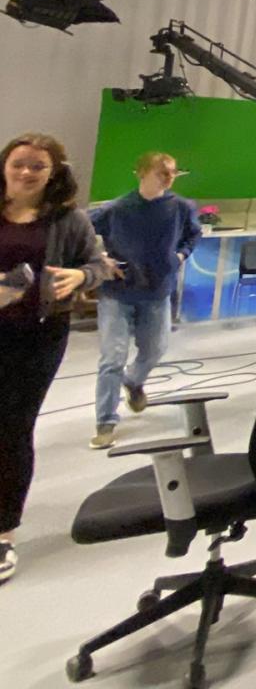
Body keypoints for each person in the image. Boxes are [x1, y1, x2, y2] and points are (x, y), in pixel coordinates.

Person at [0, 133, 106, 585]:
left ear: (53, 174)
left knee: (11, 428)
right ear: (4, 165)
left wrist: (80, 277)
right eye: (19, 163)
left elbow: (99, 265)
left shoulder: (68, 220)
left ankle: (3, 532)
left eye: (37, 166)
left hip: (36, 338)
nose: (26, 172)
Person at [90, 152, 201, 450]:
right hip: (118, 292)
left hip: (157, 292)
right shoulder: (116, 208)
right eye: (161, 172)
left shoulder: (181, 208)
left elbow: (193, 235)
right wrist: (100, 258)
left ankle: (134, 381)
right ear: (141, 172)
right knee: (112, 358)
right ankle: (105, 422)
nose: (168, 178)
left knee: (155, 349)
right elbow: (80, 233)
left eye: (173, 173)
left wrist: (181, 255)